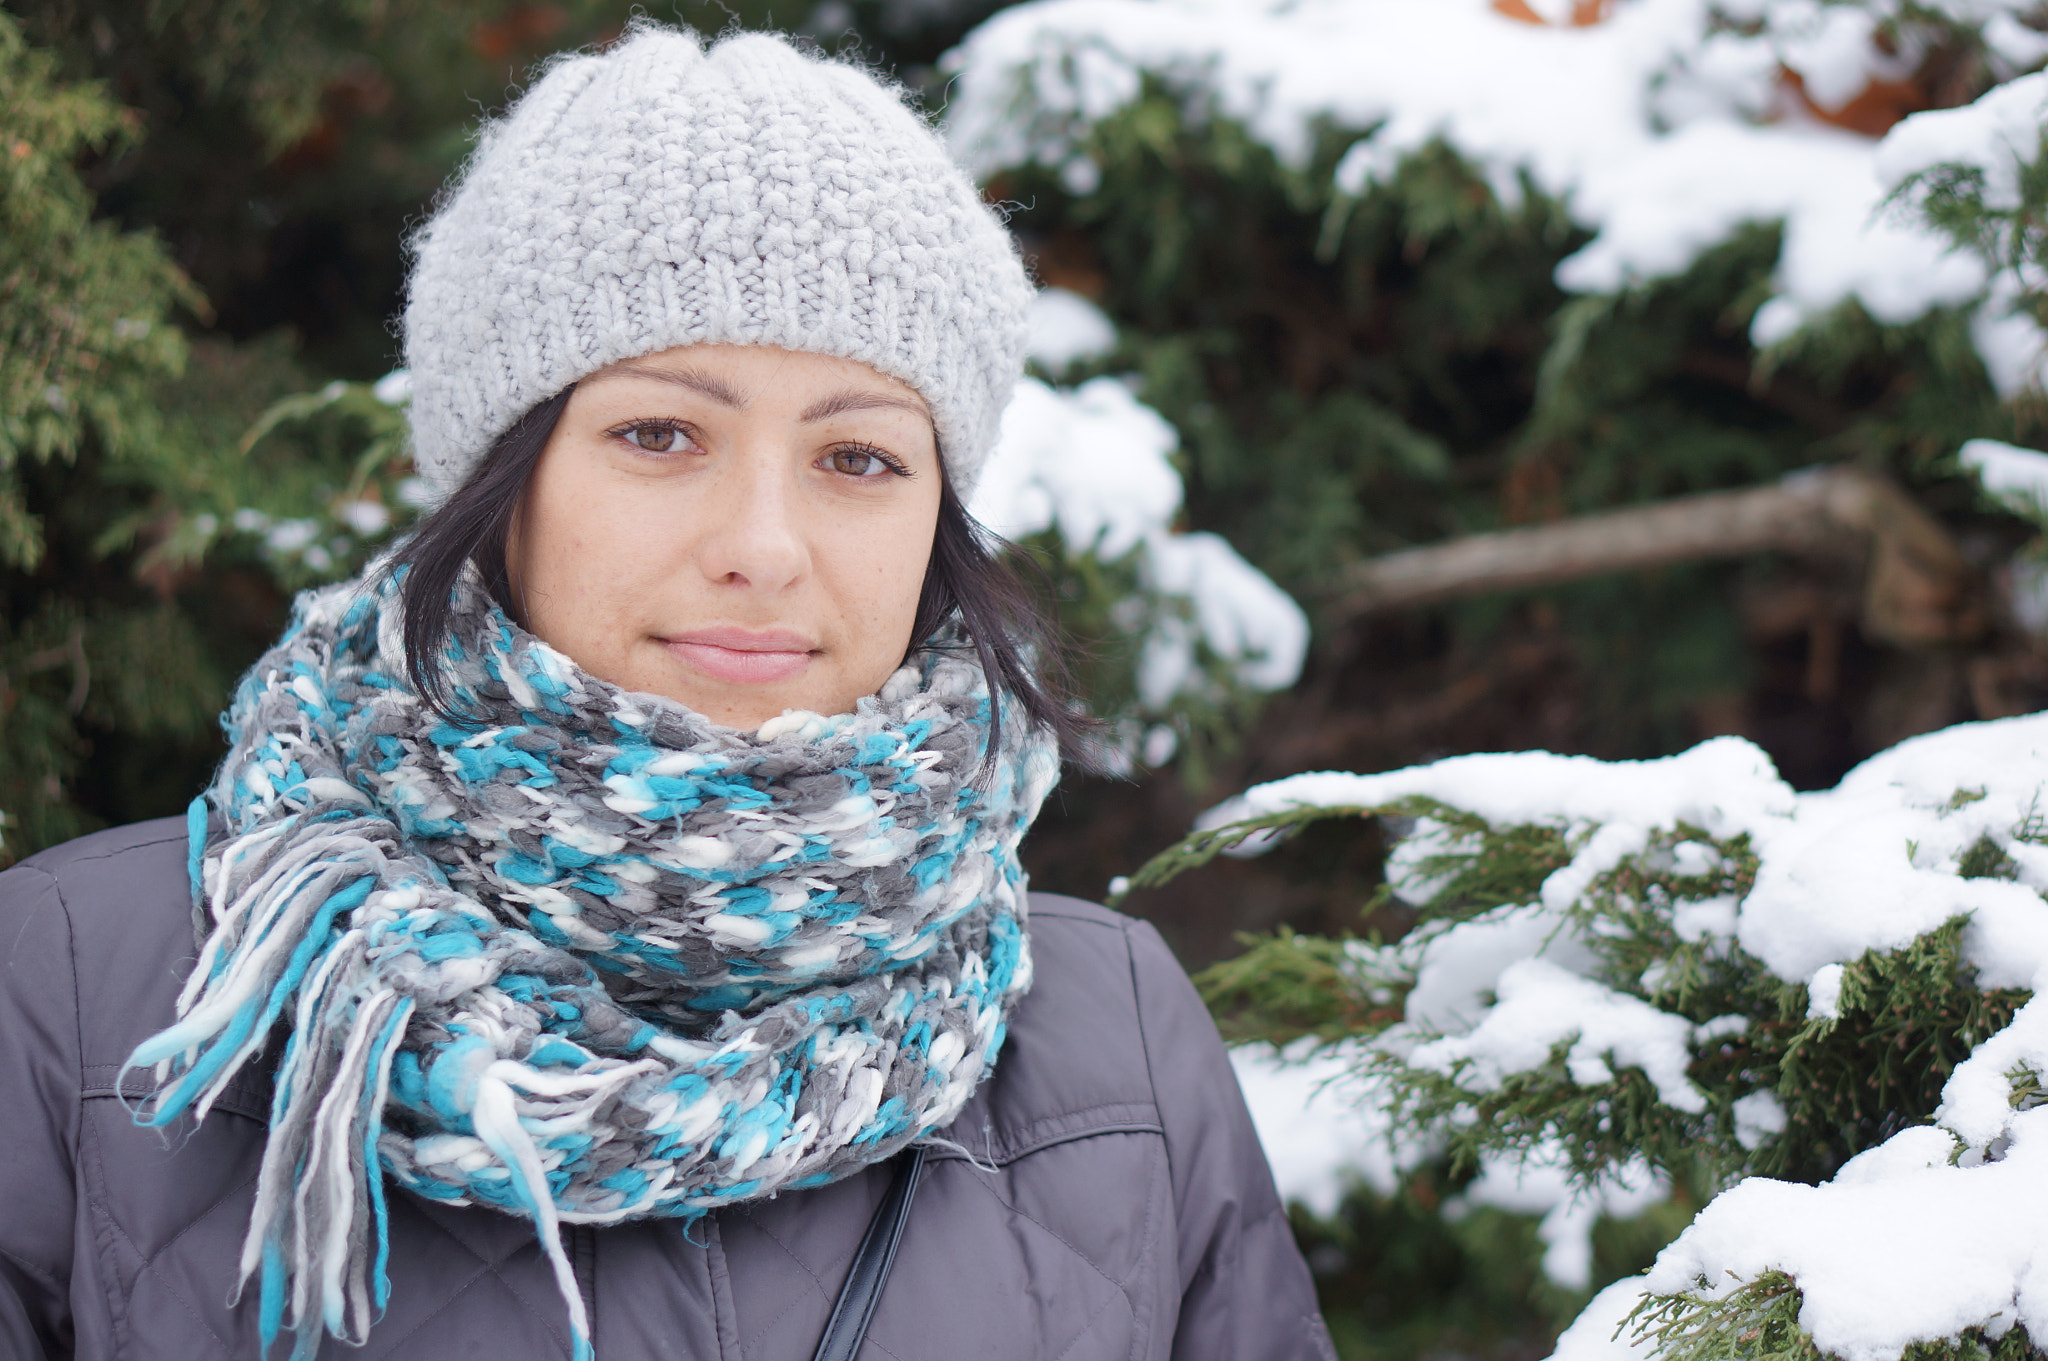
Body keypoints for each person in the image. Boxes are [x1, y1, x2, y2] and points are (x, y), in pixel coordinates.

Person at [0, 24, 1334, 1361]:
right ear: (499, 479)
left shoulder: (1119, 1048)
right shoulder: (76, 989)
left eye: (858, 456)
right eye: (659, 433)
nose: (764, 542)